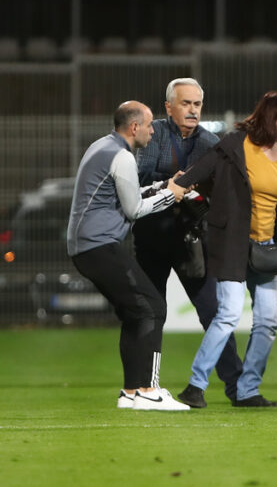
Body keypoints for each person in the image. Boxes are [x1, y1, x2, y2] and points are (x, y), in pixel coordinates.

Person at [174, 91, 277, 409]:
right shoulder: (237, 145)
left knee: (267, 323)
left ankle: (247, 390)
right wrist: (179, 188)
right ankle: (196, 386)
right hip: (233, 245)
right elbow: (198, 174)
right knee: (228, 315)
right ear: (271, 117)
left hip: (267, 249)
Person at [67, 100, 189, 411]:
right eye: (149, 125)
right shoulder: (122, 157)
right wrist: (169, 195)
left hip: (88, 246)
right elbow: (134, 209)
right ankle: (149, 390)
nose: (152, 131)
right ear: (134, 127)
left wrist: (164, 185)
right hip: (98, 245)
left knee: (135, 313)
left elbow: (127, 195)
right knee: (153, 308)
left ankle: (132, 391)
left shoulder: (102, 146)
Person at [135, 77, 243, 402]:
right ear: (168, 107)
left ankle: (238, 387)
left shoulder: (211, 142)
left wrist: (190, 191)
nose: (193, 109)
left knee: (213, 310)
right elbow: (140, 178)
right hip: (151, 237)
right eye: (186, 103)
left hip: (191, 238)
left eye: (197, 104)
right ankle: (144, 386)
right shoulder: (152, 134)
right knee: (151, 313)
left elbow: (221, 190)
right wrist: (179, 186)